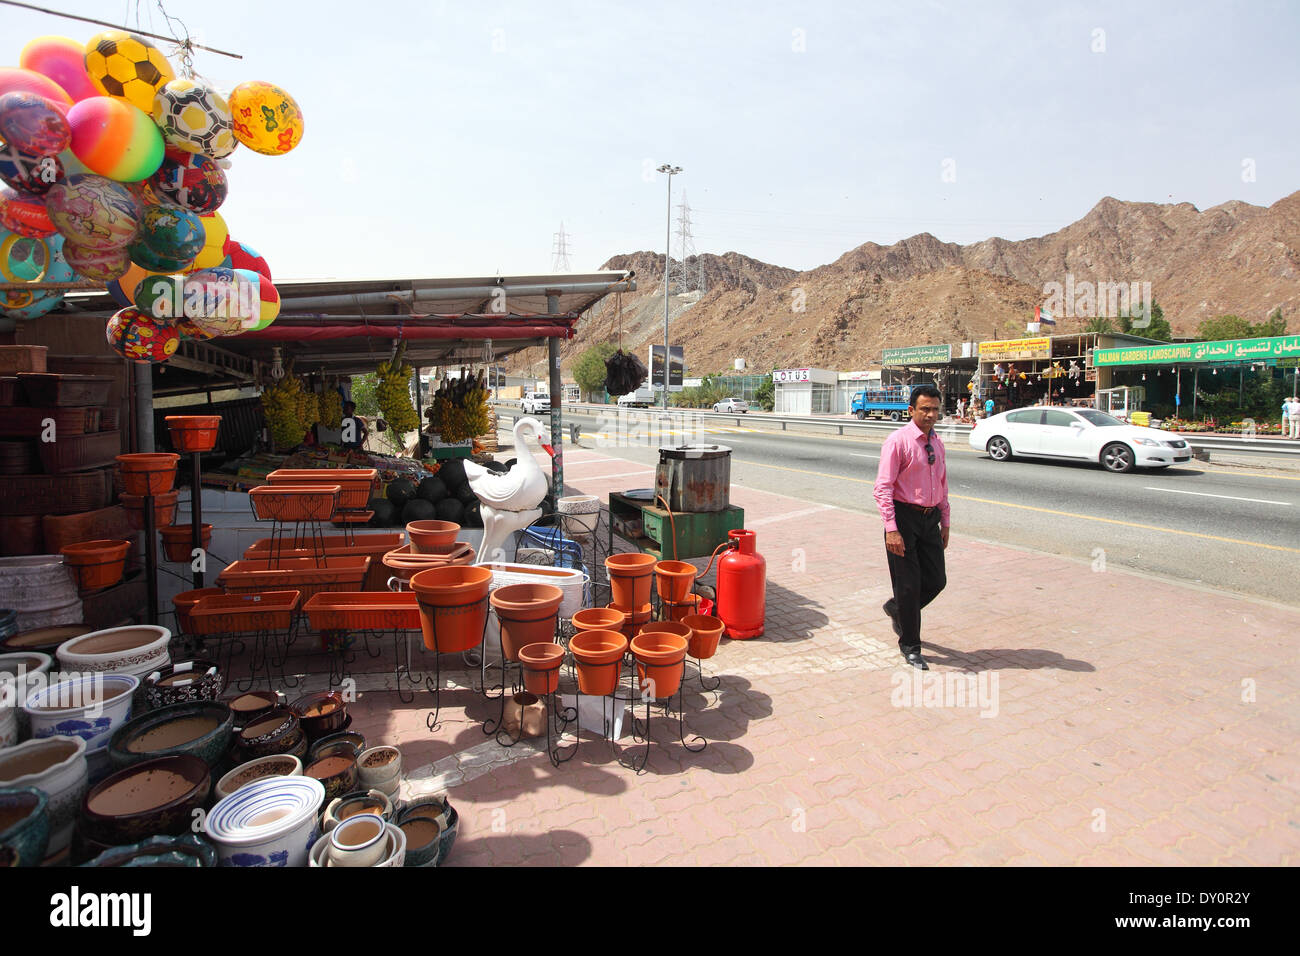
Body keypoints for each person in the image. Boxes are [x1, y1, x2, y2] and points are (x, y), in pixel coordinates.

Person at [873, 384, 949, 670]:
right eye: (925, 409)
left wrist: (945, 521)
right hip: (903, 517)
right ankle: (911, 645)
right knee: (908, 585)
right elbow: (882, 488)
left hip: (930, 519)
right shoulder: (898, 441)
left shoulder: (938, 443)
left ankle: (896, 609)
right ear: (911, 410)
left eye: (935, 410)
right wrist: (891, 528)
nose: (930, 415)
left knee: (937, 580)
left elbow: (942, 483)